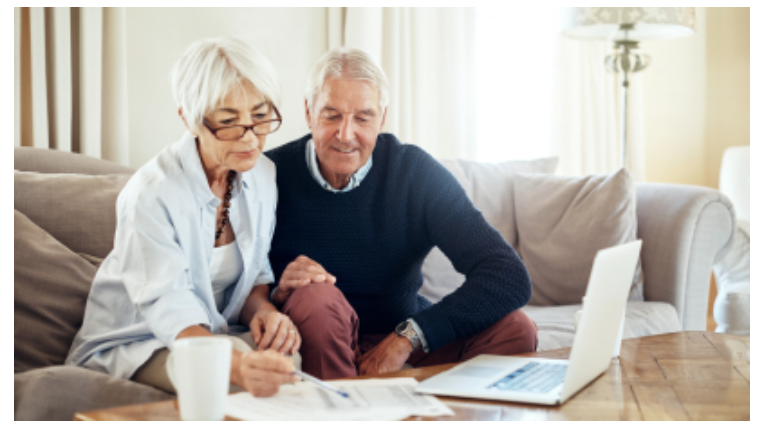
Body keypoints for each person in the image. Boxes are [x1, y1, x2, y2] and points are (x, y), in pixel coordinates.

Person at [265, 48, 538, 380]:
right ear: (309, 113)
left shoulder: (414, 173)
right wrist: (275, 291)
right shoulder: (267, 175)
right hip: (317, 331)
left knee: (516, 328)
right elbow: (228, 284)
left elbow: (508, 274)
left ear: (382, 118)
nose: (346, 134)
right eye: (331, 114)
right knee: (318, 300)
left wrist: (406, 338)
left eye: (363, 118)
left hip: (401, 334)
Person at [66, 37, 300, 398]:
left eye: (259, 115)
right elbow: (169, 309)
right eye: (228, 121)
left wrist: (265, 311)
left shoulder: (263, 176)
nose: (250, 138)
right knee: (227, 378)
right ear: (190, 120)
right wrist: (236, 366)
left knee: (287, 363)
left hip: (212, 334)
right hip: (140, 340)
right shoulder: (150, 194)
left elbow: (255, 277)